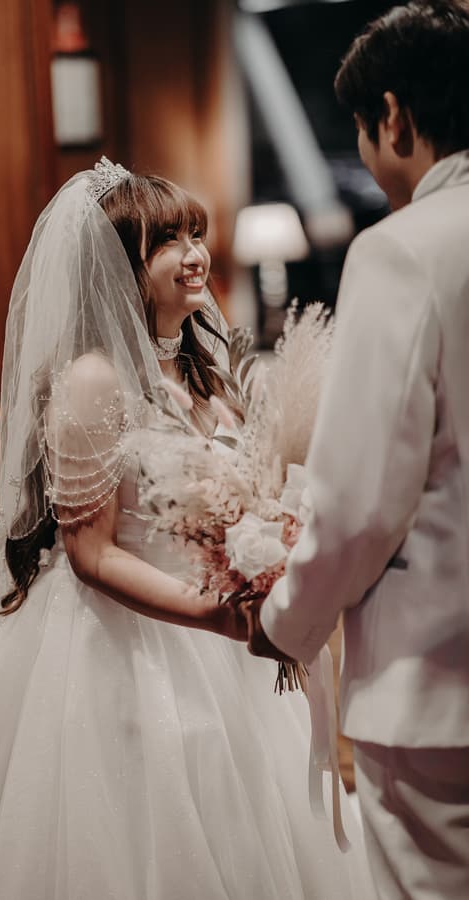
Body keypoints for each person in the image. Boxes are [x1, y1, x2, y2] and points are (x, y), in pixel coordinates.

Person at [0, 158, 374, 899]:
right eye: (171, 241)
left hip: (220, 636)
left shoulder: (200, 367)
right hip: (123, 644)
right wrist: (211, 615)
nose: (196, 254)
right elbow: (89, 552)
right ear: (122, 264)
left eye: (197, 233)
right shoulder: (95, 381)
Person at [241, 2, 469, 898]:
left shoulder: (403, 251)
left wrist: (288, 624)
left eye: (366, 134)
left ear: (395, 116)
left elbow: (364, 501)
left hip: (438, 683)